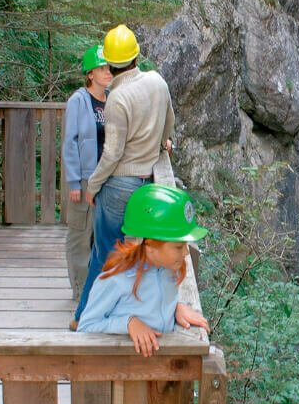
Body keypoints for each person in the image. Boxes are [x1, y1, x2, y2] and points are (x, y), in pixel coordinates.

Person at [70, 24, 174, 330]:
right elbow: (169, 124)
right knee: (138, 250)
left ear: (111, 64)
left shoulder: (117, 97)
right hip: (147, 184)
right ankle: (128, 312)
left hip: (118, 185)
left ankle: (83, 317)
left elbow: (112, 153)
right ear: (136, 55)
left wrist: (93, 185)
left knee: (106, 252)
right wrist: (160, 142)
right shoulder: (157, 82)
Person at [76, 184, 209, 355]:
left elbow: (153, 302)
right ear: (150, 245)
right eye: (178, 247)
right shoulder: (117, 279)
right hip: (125, 374)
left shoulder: (168, 270)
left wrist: (175, 307)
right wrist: (128, 323)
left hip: (161, 372)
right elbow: (86, 326)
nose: (185, 253)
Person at [62, 44, 112, 300]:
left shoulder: (113, 98)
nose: (108, 73)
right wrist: (73, 182)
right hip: (84, 180)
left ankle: (98, 291)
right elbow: (70, 142)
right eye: (102, 68)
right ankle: (80, 291)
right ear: (90, 73)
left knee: (102, 236)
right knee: (80, 237)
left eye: (110, 68)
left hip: (107, 180)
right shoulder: (79, 101)